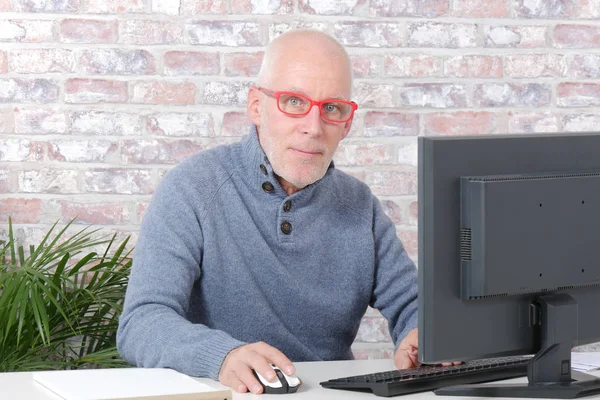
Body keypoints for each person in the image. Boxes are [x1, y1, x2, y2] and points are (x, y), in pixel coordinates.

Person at [116, 29, 419, 395]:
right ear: (256, 106)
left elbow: (413, 303)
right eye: (294, 102)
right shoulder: (192, 188)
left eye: (332, 108)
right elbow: (142, 322)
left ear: (347, 124)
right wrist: (222, 356)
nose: (313, 127)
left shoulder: (359, 205)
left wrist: (422, 335)